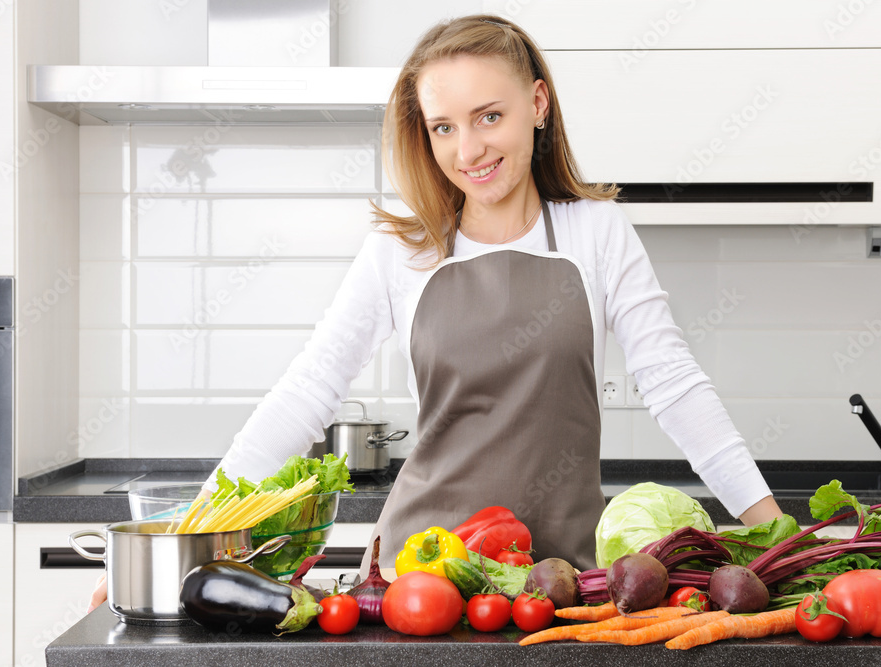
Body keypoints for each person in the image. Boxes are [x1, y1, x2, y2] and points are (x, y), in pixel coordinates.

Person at [90, 14, 781, 612]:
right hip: (424, 577)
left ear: (537, 103)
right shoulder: (403, 249)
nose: (468, 150)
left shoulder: (596, 231)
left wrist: (774, 527)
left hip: (566, 577)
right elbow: (307, 390)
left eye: (489, 116)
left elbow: (673, 383)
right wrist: (189, 536)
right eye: (444, 126)